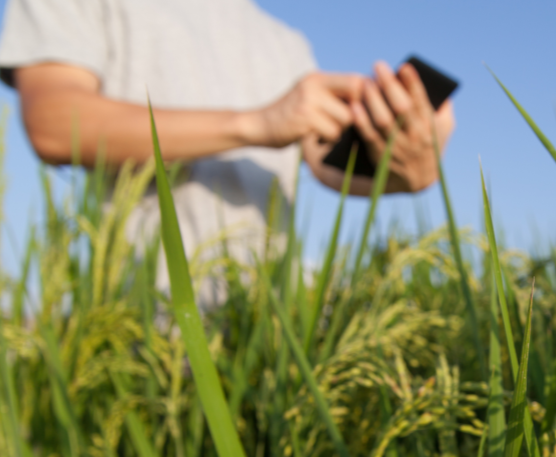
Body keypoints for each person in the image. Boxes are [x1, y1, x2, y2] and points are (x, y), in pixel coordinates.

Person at [0, 0, 455, 299]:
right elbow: (55, 123)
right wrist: (257, 123)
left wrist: (406, 163)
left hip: (268, 326)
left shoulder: (284, 40)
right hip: (143, 317)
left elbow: (326, 164)